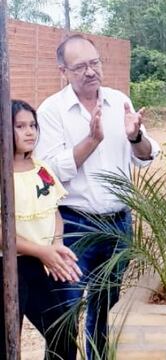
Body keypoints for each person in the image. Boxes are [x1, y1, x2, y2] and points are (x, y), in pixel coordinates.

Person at [35, 35, 160, 358]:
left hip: (118, 224)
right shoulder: (52, 111)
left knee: (107, 308)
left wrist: (135, 136)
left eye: (95, 63)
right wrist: (91, 140)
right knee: (67, 308)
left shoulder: (119, 101)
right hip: (75, 225)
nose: (90, 72)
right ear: (63, 71)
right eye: (80, 67)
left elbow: (146, 156)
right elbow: (49, 173)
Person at [0, 100, 80, 360]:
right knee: (8, 341)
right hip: (10, 267)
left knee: (63, 331)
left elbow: (54, 211)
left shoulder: (41, 168)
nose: (30, 132)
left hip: (43, 264)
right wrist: (41, 250)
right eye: (20, 126)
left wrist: (55, 244)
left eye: (32, 125)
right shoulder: (2, 175)